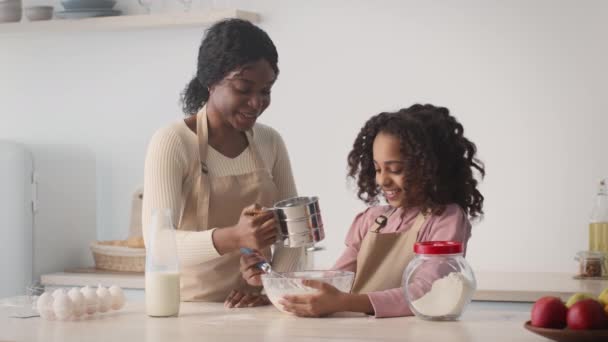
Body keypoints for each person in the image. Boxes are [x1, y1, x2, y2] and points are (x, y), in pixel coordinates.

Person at [241, 104, 485, 317]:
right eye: (378, 169)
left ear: (430, 167)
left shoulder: (446, 218)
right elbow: (336, 279)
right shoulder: (372, 220)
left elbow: (425, 291)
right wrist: (278, 288)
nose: (382, 181)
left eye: (395, 169)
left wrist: (345, 303)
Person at [142, 18, 303, 308]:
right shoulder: (173, 142)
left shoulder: (270, 142)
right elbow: (158, 244)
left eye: (265, 91)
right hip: (191, 311)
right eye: (244, 89)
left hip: (257, 308)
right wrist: (234, 236)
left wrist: (271, 289)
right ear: (210, 80)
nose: (256, 103)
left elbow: (294, 233)